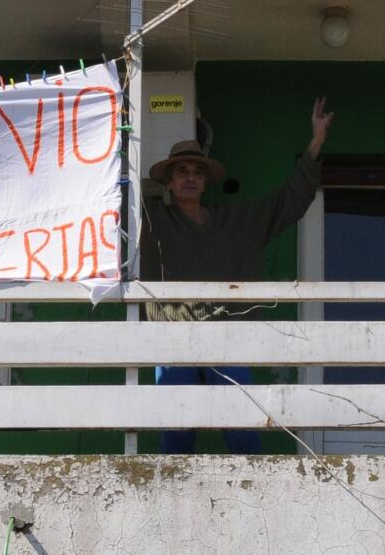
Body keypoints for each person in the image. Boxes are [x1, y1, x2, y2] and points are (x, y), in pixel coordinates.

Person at [141, 97, 333, 454]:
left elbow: (288, 201)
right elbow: (103, 204)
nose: (190, 178)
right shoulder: (150, 221)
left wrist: (316, 140)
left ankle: (258, 500)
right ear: (168, 182)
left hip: (227, 337)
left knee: (242, 428)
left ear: (205, 182)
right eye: (182, 172)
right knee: (177, 432)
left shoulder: (234, 222)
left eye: (197, 173)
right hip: (171, 338)